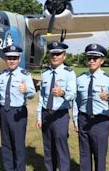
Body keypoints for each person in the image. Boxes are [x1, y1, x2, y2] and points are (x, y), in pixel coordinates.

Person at [73, 43, 109, 171]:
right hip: (83, 119)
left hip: (100, 122)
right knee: (84, 154)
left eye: (95, 58)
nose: (91, 61)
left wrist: (108, 98)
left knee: (100, 155)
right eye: (89, 58)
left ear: (101, 61)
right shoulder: (80, 79)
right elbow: (76, 100)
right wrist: (75, 119)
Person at [35, 42, 76, 171]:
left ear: (64, 56)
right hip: (46, 113)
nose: (55, 56)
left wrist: (62, 93)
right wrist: (39, 116)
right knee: (48, 147)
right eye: (53, 54)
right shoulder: (45, 73)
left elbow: (73, 94)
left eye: (58, 54)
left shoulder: (69, 73)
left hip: (60, 115)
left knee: (61, 147)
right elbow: (42, 96)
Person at [0, 44, 36, 171]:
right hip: (4, 111)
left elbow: (32, 94)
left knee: (18, 145)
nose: (11, 61)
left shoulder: (25, 75)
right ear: (5, 59)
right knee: (6, 143)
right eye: (9, 58)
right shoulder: (1, 75)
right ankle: (8, 168)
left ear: (19, 59)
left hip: (18, 113)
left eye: (14, 58)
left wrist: (25, 91)